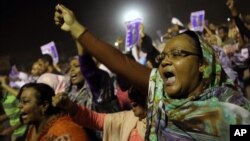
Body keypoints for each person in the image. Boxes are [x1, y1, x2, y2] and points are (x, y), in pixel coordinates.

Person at [54, 4, 250, 141]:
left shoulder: (231, 112)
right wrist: (75, 27)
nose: (165, 61)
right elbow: (121, 64)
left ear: (202, 64)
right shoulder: (162, 96)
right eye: (164, 56)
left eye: (177, 54)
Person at [53, 86, 147, 141]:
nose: (132, 101)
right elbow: (94, 119)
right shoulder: (127, 118)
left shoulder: (160, 121)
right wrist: (70, 107)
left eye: (137, 95)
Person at [17, 83, 89, 141]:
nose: (19, 105)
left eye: (25, 101)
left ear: (44, 105)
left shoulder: (65, 130)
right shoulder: (34, 127)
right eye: (20, 102)